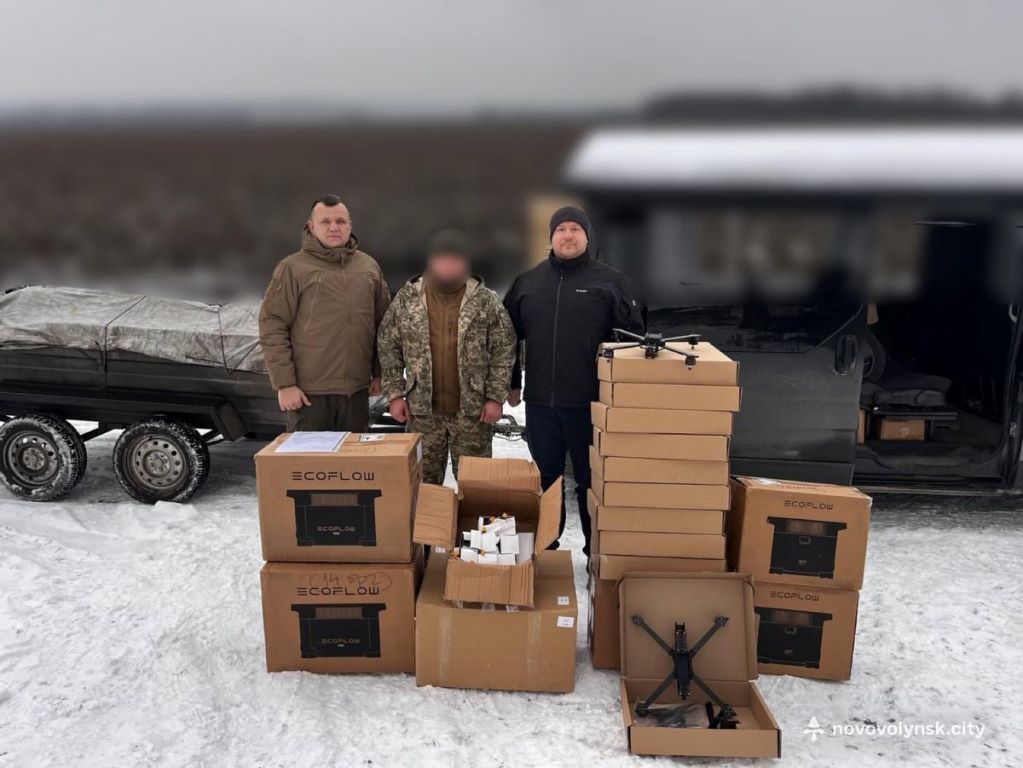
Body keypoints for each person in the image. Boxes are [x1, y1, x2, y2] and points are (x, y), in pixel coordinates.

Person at [503, 206, 643, 554]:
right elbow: (506, 336)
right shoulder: (528, 283)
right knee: (547, 482)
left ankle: (594, 555)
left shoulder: (609, 281)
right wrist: (512, 382)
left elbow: (632, 338)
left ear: (587, 236)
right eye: (561, 229)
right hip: (541, 405)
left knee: (590, 482)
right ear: (551, 237)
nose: (568, 235)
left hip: (590, 404)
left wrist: (622, 392)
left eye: (575, 229)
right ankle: (547, 552)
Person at [377, 229, 516, 485]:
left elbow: (504, 349)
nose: (448, 265)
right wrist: (395, 394)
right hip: (423, 414)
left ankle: (471, 515)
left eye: (455, 259)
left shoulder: (486, 301)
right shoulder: (407, 300)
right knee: (423, 487)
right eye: (442, 258)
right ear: (431, 261)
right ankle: (430, 515)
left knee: (477, 486)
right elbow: (388, 347)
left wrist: (495, 397)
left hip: (472, 414)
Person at [259, 195, 390, 432]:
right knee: (309, 456)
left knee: (353, 456)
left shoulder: (368, 267)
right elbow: (273, 325)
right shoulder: (292, 268)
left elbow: (385, 326)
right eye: (325, 222)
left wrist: (379, 373)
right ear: (311, 226)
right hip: (310, 395)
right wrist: (285, 384)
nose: (334, 227)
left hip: (356, 394)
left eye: (340, 221)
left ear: (350, 225)